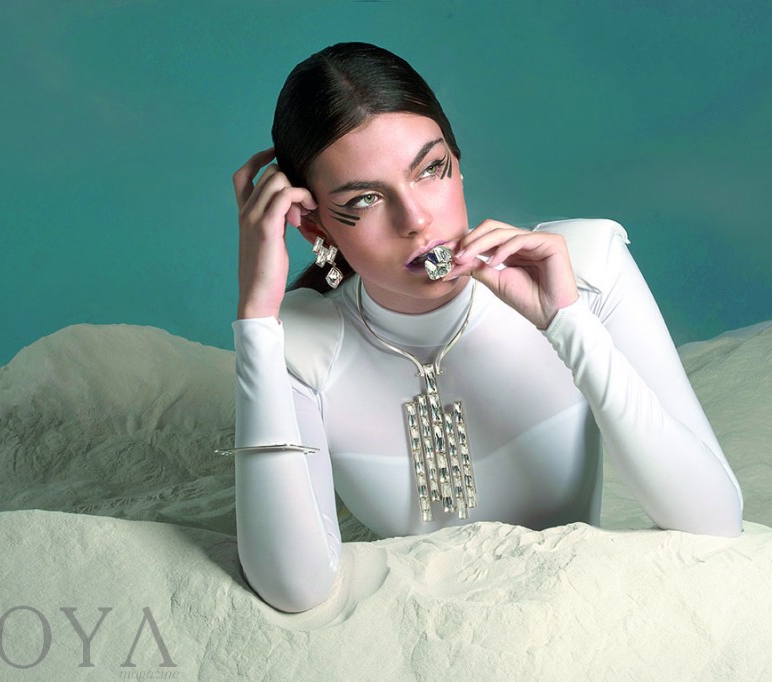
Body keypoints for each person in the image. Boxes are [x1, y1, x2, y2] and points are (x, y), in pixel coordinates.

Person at [231, 42, 743, 613]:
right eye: (367, 198)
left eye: (431, 169)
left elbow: (715, 520)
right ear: (313, 226)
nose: (416, 220)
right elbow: (293, 587)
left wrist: (568, 325)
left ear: (458, 162)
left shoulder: (586, 266)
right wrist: (256, 317)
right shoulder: (299, 343)